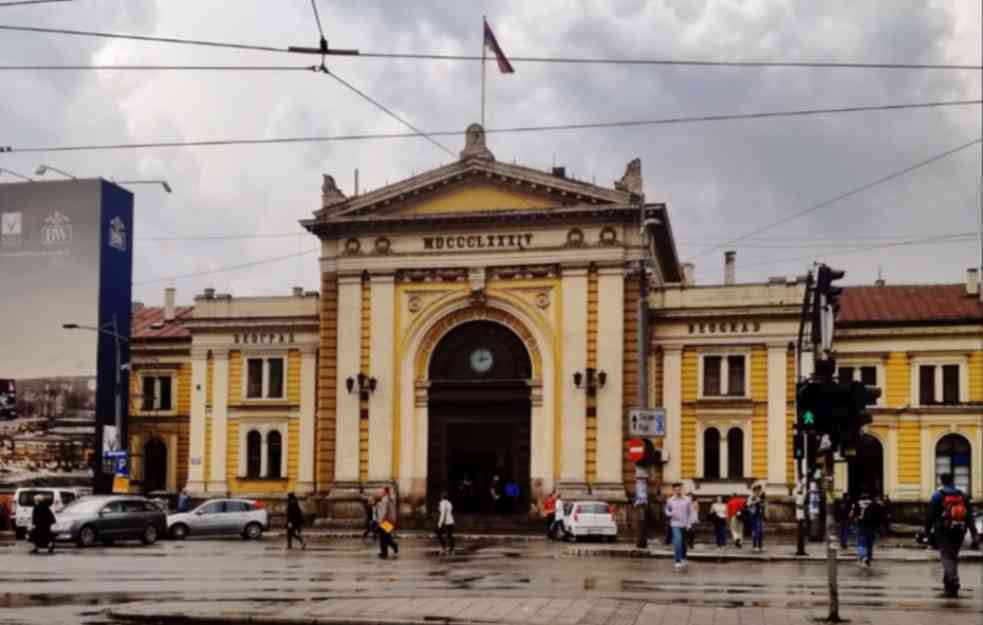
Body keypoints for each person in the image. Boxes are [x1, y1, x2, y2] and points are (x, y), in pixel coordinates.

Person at [925, 473, 979, 597]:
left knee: (947, 557)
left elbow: (930, 516)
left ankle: (953, 580)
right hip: (960, 530)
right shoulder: (962, 495)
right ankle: (948, 584)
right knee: (953, 556)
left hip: (943, 531)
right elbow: (969, 516)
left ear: (941, 481)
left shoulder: (938, 495)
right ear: (953, 481)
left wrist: (927, 531)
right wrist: (973, 532)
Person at [850, 491, 882, 567]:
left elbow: (852, 514)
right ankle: (869, 559)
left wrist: (853, 523)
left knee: (861, 541)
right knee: (870, 543)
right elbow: (880, 514)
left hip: (861, 524)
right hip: (872, 525)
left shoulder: (857, 503)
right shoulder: (875, 503)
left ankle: (864, 557)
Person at [665, 483, 691, 570]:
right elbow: (667, 511)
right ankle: (677, 561)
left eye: (680, 489)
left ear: (682, 489)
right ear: (673, 490)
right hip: (675, 524)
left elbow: (690, 513)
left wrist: (689, 524)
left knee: (683, 543)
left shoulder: (687, 500)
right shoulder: (670, 500)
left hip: (684, 524)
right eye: (676, 490)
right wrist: (670, 513)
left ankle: (683, 557)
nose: (678, 491)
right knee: (677, 541)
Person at [377, 487, 399, 559]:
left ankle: (388, 550)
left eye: (381, 492)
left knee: (384, 537)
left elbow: (383, 512)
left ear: (385, 492)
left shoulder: (385, 500)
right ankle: (386, 551)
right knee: (385, 537)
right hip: (390, 520)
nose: (380, 493)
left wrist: (380, 521)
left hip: (385, 521)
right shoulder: (390, 499)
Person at [747, 485, 766, 552]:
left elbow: (762, 505)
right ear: (755, 490)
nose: (759, 491)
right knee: (756, 531)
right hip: (754, 516)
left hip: (760, 516)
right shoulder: (752, 496)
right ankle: (755, 546)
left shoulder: (760, 497)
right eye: (758, 490)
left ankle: (760, 546)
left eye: (760, 490)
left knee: (760, 531)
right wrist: (756, 501)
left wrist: (762, 504)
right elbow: (748, 504)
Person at [436, 490, 455, 555]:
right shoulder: (449, 503)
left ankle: (443, 547)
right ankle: (452, 549)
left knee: (438, 532)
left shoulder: (442, 503)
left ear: (442, 497)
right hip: (451, 521)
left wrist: (440, 523)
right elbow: (450, 511)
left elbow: (443, 513)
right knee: (450, 535)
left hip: (445, 522)